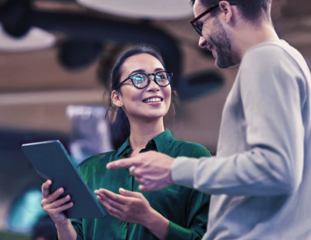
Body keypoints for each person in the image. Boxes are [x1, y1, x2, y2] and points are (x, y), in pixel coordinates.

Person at [106, 0, 311, 239]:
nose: (201, 41)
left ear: (225, 10)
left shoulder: (264, 59)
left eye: (201, 24)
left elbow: (278, 170)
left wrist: (176, 168)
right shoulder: (287, 59)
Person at [41, 45, 211, 239]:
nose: (154, 85)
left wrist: (150, 219)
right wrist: (61, 221)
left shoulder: (193, 158)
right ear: (117, 97)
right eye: (139, 78)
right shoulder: (91, 169)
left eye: (161, 77)